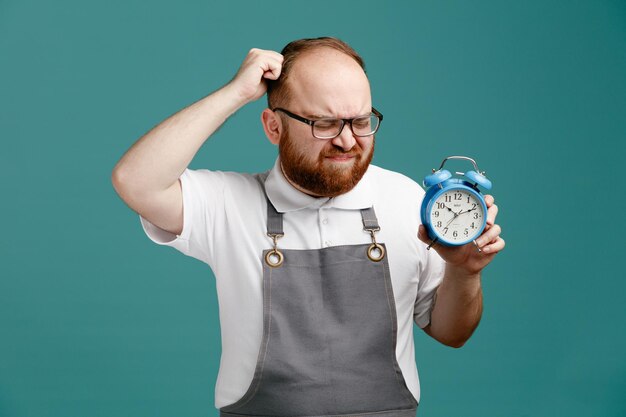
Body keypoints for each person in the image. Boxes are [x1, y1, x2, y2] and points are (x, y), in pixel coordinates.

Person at [112, 37, 504, 416]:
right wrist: (234, 94)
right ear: (273, 127)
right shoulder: (228, 204)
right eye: (324, 123)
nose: (347, 140)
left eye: (361, 121)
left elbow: (452, 332)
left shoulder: (405, 200)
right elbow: (135, 180)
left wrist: (464, 270)